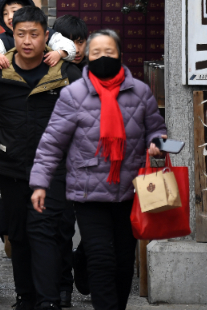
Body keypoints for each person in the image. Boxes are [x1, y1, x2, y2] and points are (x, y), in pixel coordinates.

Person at [30, 30, 167, 310]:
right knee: (101, 258)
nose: (103, 57)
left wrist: (157, 144)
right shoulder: (73, 95)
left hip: (130, 191)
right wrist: (40, 184)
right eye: (96, 53)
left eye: (109, 52)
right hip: (88, 191)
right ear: (87, 58)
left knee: (123, 262)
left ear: (120, 55)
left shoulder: (140, 92)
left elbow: (156, 129)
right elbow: (52, 142)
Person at [0, 7, 81, 310]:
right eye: (21, 34)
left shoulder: (66, 75)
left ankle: (48, 300)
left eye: (35, 34)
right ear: (13, 35)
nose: (28, 41)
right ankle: (25, 297)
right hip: (11, 167)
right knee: (18, 234)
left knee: (45, 231)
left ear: (46, 36)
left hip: (54, 169)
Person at [49, 14, 89, 306]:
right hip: (59, 162)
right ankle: (63, 286)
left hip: (90, 162)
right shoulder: (49, 71)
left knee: (93, 226)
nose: (77, 47)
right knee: (62, 226)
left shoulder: (95, 71)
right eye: (70, 41)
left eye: (80, 41)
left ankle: (84, 269)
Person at [0, 0, 76, 69]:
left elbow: (70, 47)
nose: (9, 17)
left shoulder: (46, 33)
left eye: (14, 11)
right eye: (5, 13)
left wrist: (59, 53)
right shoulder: (2, 39)